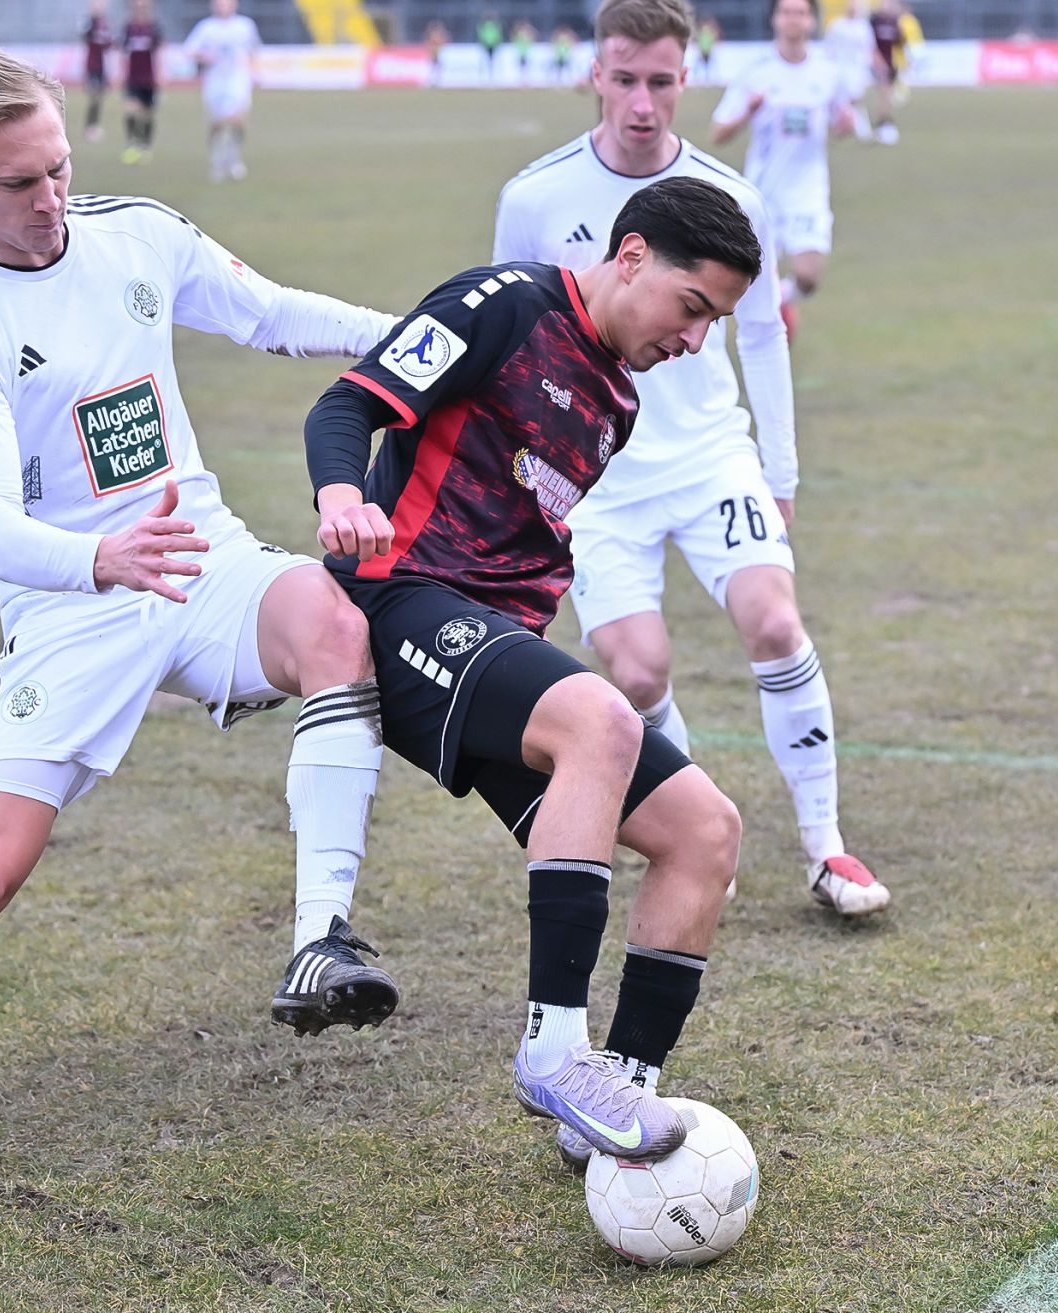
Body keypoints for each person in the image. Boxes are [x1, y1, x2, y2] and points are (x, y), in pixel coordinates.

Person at [0, 50, 401, 1208]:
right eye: (19, 183)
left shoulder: (135, 232)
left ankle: (320, 938)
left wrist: (418, 341)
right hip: (67, 608)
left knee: (334, 625)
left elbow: (269, 312)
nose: (51, 199)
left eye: (59, 168)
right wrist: (99, 557)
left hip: (196, 556)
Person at [306, 176, 759, 1166]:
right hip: (400, 601)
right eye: (692, 307)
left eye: (714, 324)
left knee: (706, 831)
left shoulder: (619, 400)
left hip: (493, 648)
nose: (695, 340)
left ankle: (614, 1101)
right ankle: (554, 1050)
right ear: (631, 255)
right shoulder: (503, 304)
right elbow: (346, 406)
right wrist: (341, 495)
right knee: (604, 716)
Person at [494, 0, 891, 970]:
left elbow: (764, 337)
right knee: (636, 676)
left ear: (687, 78)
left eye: (661, 81)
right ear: (596, 74)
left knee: (775, 622)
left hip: (713, 456)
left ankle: (826, 844)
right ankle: (702, 819)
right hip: (597, 481)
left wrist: (779, 471)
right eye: (625, 79)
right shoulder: (535, 196)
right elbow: (513, 338)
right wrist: (523, 485)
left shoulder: (730, 197)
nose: (642, 102)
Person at [711, 0, 848, 337]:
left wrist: (844, 124)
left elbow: (840, 120)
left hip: (808, 190)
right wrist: (748, 111)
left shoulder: (828, 71)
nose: (793, 19)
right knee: (749, 278)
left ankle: (781, 302)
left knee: (809, 277)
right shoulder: (756, 71)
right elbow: (719, 132)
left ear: (811, 21)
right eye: (786, 12)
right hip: (763, 191)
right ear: (774, 19)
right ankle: (764, 332)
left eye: (800, 13)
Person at [180, 0, 263, 183]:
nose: (223, 6)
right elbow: (189, 50)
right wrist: (203, 56)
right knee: (216, 124)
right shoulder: (206, 27)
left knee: (237, 120)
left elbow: (254, 50)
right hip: (214, 82)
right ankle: (216, 161)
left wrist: (256, 72)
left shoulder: (245, 25)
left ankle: (234, 158)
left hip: (237, 80)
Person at [823, 0, 876, 141]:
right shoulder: (837, 25)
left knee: (854, 98)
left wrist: (869, 64)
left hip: (857, 69)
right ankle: (854, 127)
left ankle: (857, 127)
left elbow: (869, 47)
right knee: (841, 99)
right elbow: (829, 46)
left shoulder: (863, 27)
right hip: (840, 68)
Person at [119, 0, 162, 164]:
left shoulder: (154, 28)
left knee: (148, 113)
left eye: (143, 6)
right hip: (133, 78)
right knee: (130, 110)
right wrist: (120, 72)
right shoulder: (128, 28)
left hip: (149, 78)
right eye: (137, 6)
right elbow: (122, 51)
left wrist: (161, 73)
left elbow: (159, 52)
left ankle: (145, 146)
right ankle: (132, 144)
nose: (140, 9)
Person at [868, 0, 904, 143]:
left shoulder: (894, 22)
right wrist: (877, 61)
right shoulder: (874, 22)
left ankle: (885, 120)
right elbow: (870, 43)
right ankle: (882, 122)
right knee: (884, 92)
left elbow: (899, 42)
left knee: (888, 94)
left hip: (890, 63)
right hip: (878, 64)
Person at [81, 0, 113, 142]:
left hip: (102, 66)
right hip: (92, 66)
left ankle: (93, 126)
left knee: (99, 97)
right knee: (94, 96)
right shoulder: (89, 23)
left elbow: (108, 44)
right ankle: (89, 127)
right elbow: (85, 38)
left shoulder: (105, 24)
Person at [477, 13, 504, 82]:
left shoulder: (484, 26)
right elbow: (498, 35)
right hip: (491, 44)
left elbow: (481, 34)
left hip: (488, 44)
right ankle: (490, 74)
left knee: (488, 59)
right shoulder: (494, 26)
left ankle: (489, 74)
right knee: (490, 59)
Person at [693, 11, 720, 77]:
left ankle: (699, 75)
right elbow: (715, 38)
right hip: (706, 50)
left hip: (705, 50)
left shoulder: (702, 31)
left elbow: (697, 39)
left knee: (703, 63)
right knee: (706, 64)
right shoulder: (708, 31)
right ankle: (709, 76)